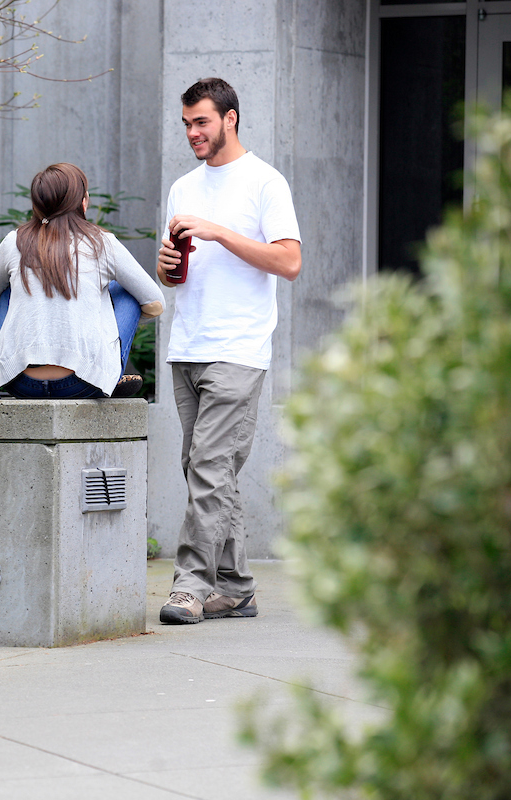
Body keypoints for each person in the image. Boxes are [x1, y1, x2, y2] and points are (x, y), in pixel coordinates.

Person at [156, 78, 302, 624]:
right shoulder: (182, 187)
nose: (193, 132)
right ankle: (237, 587)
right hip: (187, 344)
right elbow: (173, 274)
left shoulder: (265, 182)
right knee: (203, 469)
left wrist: (220, 232)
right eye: (188, 123)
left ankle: (189, 585)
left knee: (210, 468)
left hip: (239, 349)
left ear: (230, 119)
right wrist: (167, 270)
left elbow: (288, 262)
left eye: (202, 122)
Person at [0, 163, 164, 399]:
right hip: (80, 382)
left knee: (7, 288)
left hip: (20, 383)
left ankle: (13, 362)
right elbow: (155, 301)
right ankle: (110, 373)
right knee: (127, 291)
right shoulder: (102, 243)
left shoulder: (14, 242)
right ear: (83, 202)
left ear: (36, 204)